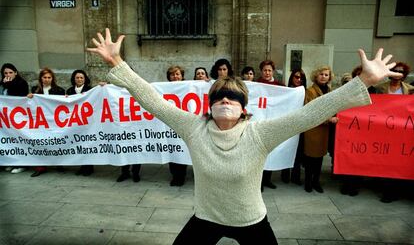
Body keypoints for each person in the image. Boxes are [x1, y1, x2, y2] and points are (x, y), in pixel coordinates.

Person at [88, 28, 397, 245]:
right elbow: (152, 99)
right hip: (205, 218)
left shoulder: (259, 134)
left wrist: (366, 80)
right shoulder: (193, 127)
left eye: (233, 99)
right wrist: (117, 63)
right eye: (219, 97)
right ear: (209, 105)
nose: (225, 101)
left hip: (251, 221)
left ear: (243, 109)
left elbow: (310, 114)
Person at [375, 62, 413, 203]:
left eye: (401, 71)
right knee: (385, 159)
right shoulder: (379, 88)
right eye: (395, 71)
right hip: (383, 129)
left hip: (402, 131)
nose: (397, 73)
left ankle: (393, 190)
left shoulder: (410, 90)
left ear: (404, 75)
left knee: (398, 160)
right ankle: (385, 188)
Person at [303, 66, 336, 193]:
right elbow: (310, 111)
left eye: (326, 75)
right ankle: (308, 182)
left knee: (320, 158)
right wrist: (328, 119)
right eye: (321, 74)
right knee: (310, 158)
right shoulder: (310, 91)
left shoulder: (329, 90)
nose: (323, 76)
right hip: (313, 129)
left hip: (324, 131)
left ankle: (316, 182)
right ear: (316, 76)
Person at [28, 67, 66, 177]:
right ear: (41, 78)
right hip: (40, 122)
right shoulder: (35, 89)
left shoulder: (59, 90)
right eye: (44, 77)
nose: (47, 79)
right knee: (40, 144)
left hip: (54, 122)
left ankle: (59, 164)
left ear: (52, 79)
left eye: (49, 77)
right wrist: (29, 97)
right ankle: (41, 167)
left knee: (56, 143)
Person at [256, 60, 285, 191]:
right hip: (259, 124)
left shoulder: (280, 86)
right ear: (261, 72)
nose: (267, 73)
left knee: (271, 153)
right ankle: (259, 182)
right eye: (265, 70)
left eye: (269, 70)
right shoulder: (255, 85)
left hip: (272, 123)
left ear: (273, 71)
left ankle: (268, 179)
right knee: (259, 154)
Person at [1, 63, 29, 174]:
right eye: (5, 73)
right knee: (9, 140)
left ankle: (22, 164)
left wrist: (9, 85)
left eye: (10, 72)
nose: (8, 75)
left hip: (18, 117)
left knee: (19, 140)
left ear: (15, 73)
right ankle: (12, 162)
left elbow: (20, 97)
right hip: (5, 118)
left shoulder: (21, 83)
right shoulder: (1, 84)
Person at [280, 69, 307, 185]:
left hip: (300, 126)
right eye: (296, 77)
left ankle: (296, 176)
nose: (298, 79)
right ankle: (285, 175)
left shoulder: (305, 92)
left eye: (301, 78)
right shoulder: (286, 91)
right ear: (291, 78)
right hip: (287, 125)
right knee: (286, 148)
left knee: (298, 152)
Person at [66, 69, 95, 176]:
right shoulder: (69, 91)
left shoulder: (90, 90)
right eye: (77, 77)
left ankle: (89, 167)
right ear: (74, 79)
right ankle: (82, 166)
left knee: (87, 144)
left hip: (87, 121)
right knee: (79, 145)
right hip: (75, 122)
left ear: (85, 79)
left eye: (81, 78)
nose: (79, 79)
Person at [167, 65, 187, 186]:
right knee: (172, 149)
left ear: (182, 76)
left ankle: (181, 176)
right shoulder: (164, 87)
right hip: (170, 123)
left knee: (182, 149)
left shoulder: (188, 86)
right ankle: (174, 175)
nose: (175, 76)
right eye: (173, 74)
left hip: (183, 123)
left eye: (177, 74)